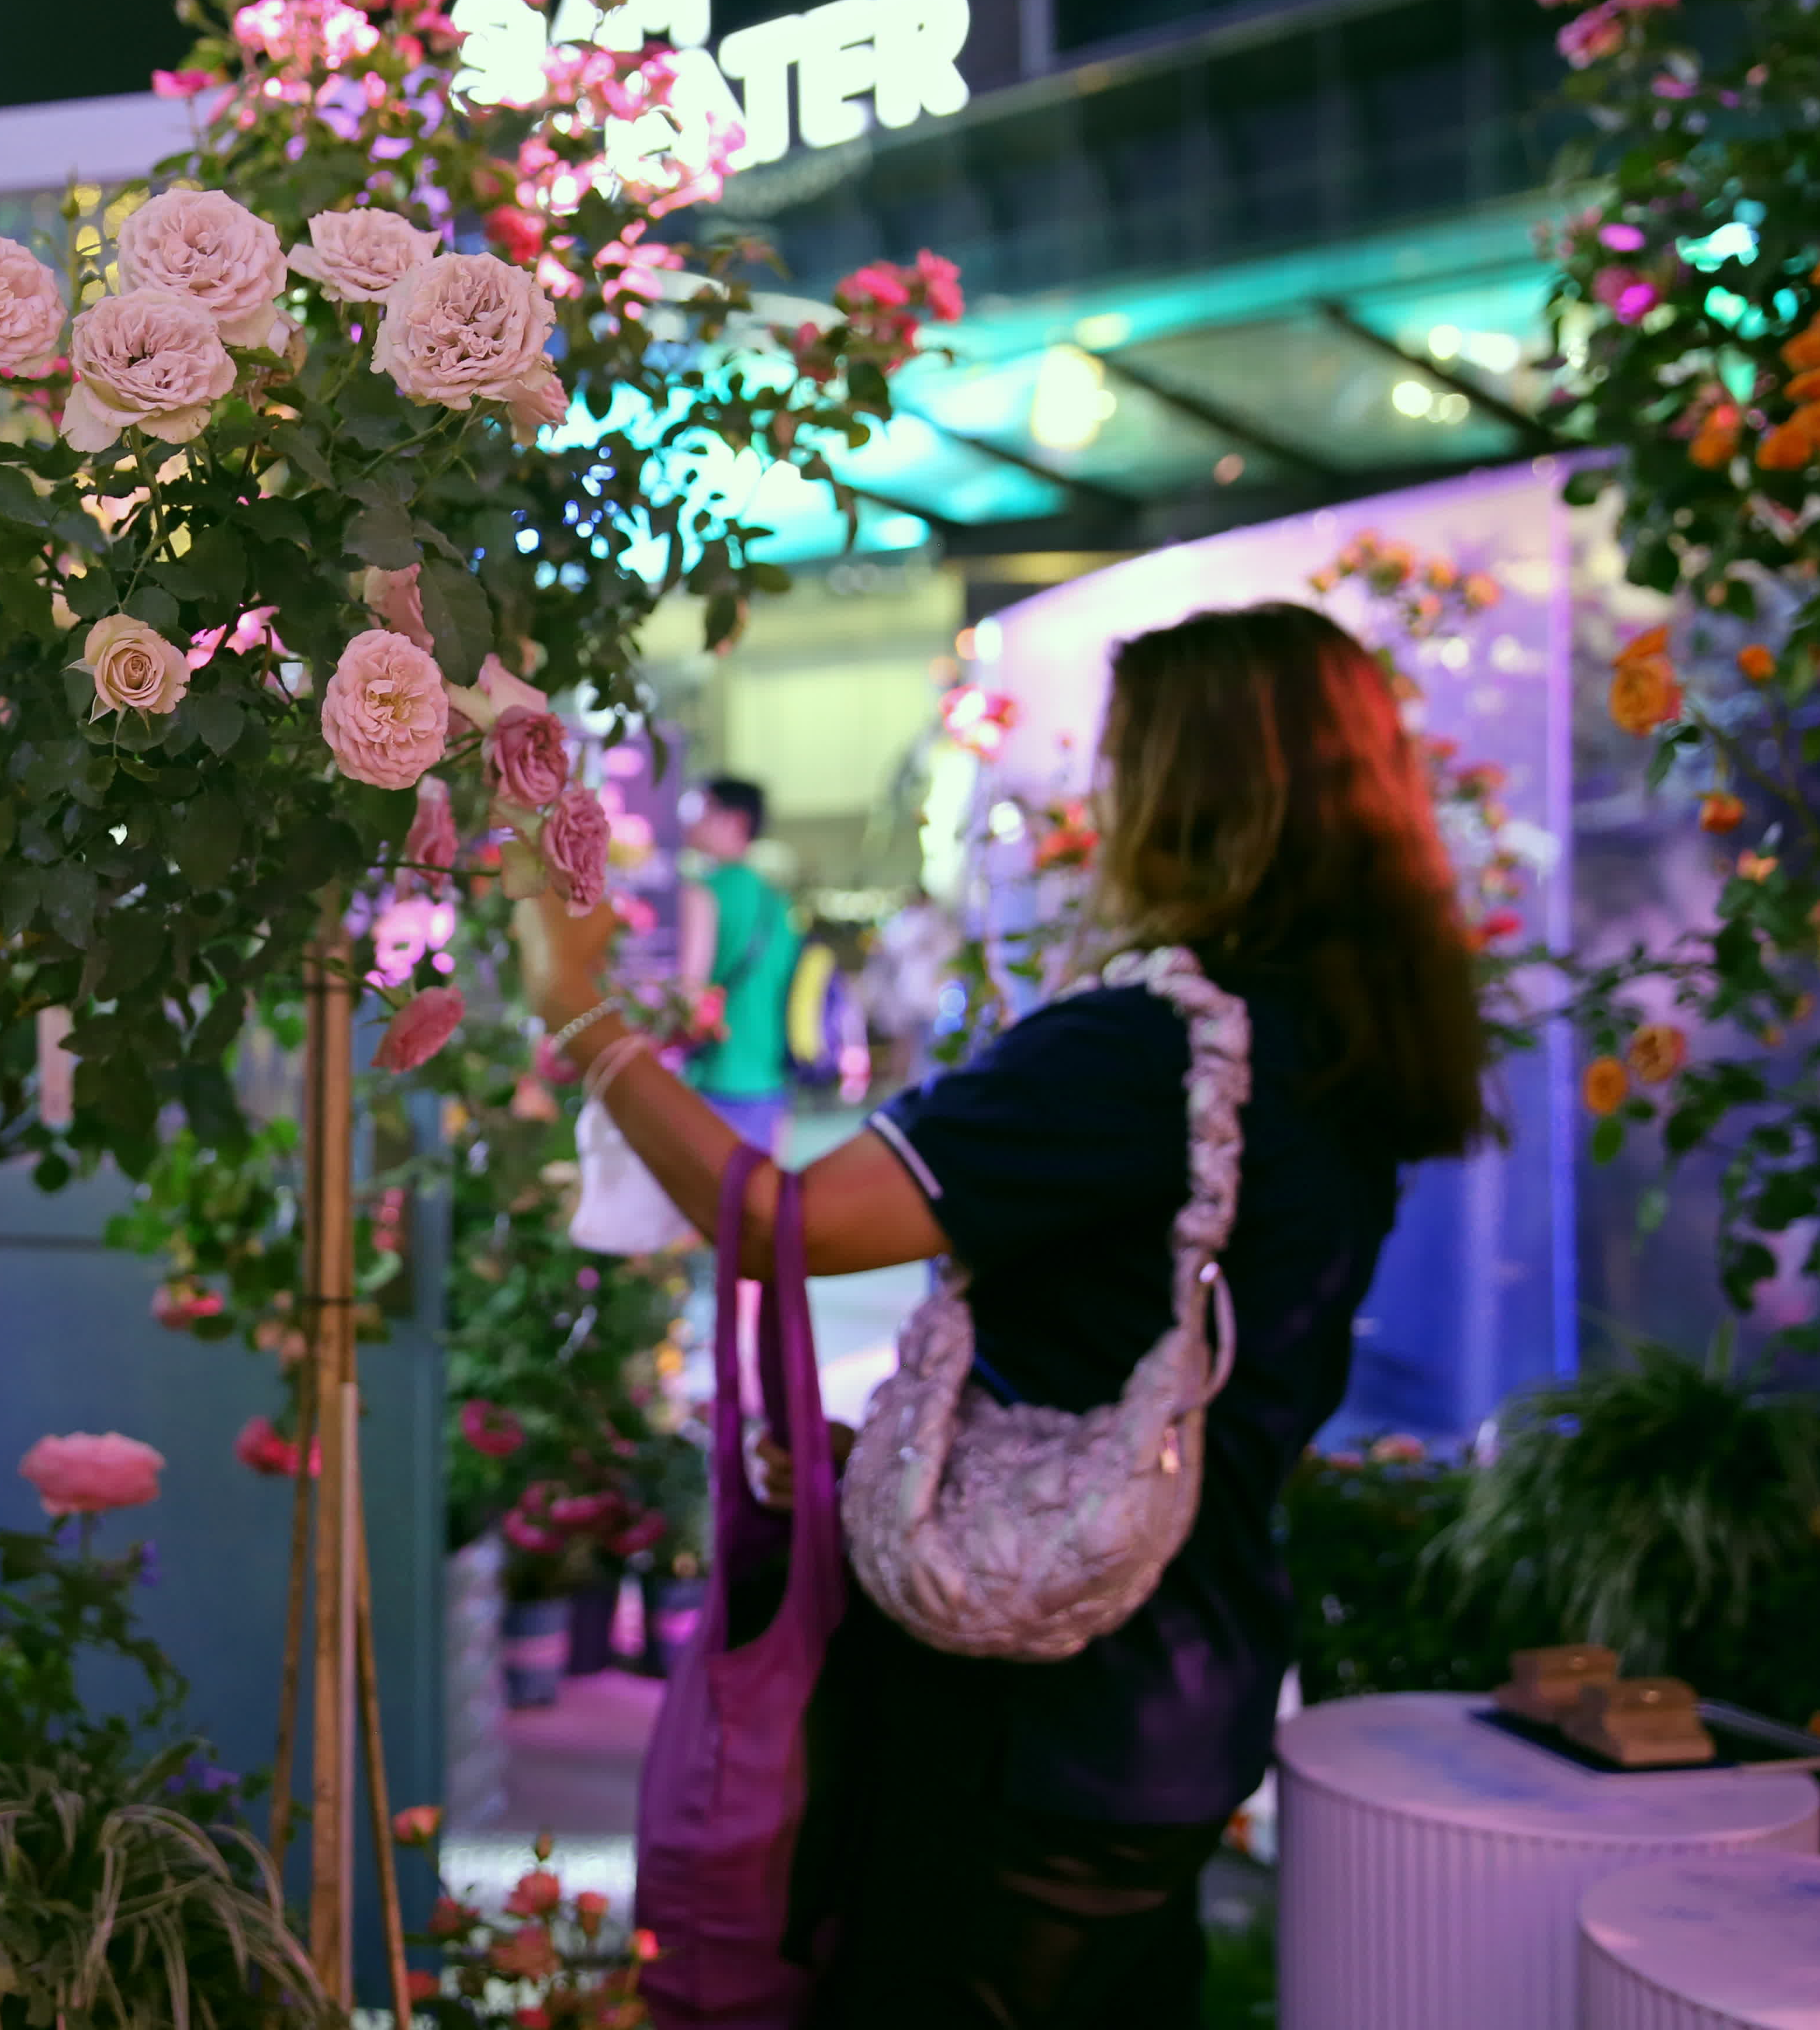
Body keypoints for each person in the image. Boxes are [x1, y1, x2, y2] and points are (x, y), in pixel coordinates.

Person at [535, 604, 1486, 2026]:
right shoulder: (1330, 1043)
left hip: (1030, 1712)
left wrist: (577, 1008)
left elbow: (776, 1223)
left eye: (1117, 763)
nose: (1092, 804)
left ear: (1189, 794)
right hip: (1186, 1673)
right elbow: (1149, 1355)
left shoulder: (1137, 1051)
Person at [677, 777, 797, 1155]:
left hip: (714, 1078)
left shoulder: (701, 893)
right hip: (770, 1082)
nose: (692, 820)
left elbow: (689, 993)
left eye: (704, 809)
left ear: (737, 821)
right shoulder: (777, 902)